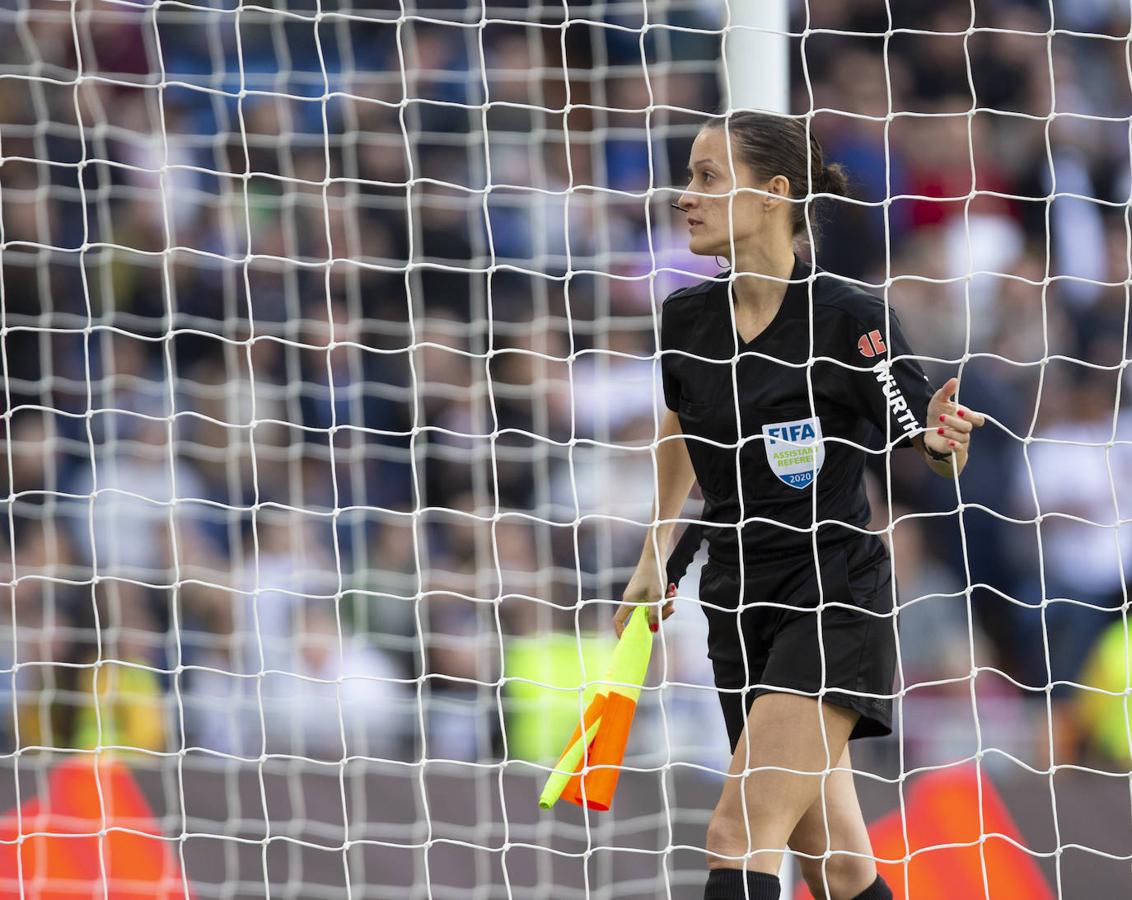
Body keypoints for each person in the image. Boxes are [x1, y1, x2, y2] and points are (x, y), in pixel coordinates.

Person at [612, 112, 986, 900]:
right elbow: (682, 423)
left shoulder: (849, 318)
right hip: (736, 599)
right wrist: (655, 550)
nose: (686, 196)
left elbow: (926, 435)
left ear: (774, 194)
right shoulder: (686, 319)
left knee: (736, 834)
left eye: (708, 178)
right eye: (690, 177)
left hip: (832, 595)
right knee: (837, 865)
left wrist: (948, 440)